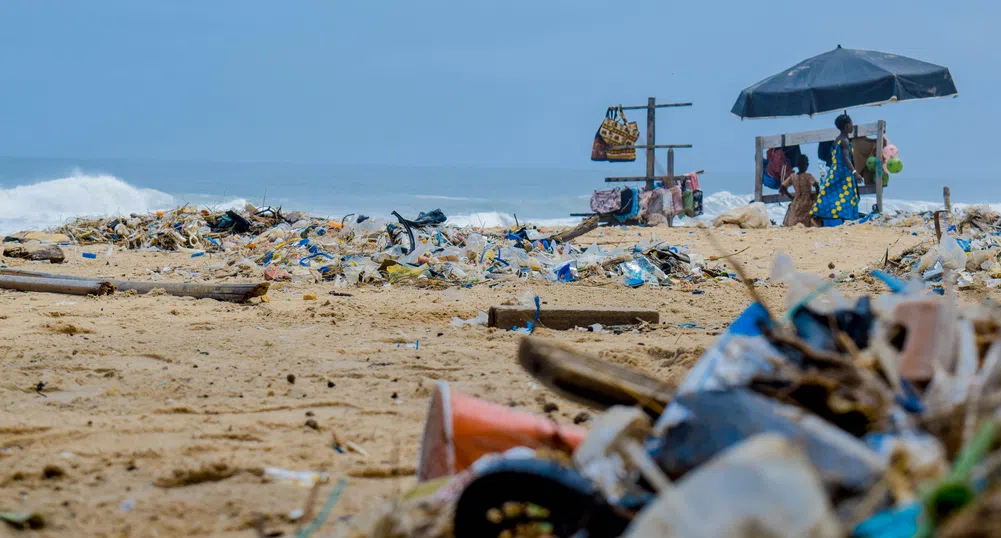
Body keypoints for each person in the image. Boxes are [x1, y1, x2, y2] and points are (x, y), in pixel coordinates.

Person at [810, 113, 863, 223]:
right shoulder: (844, 141)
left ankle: (824, 215)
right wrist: (855, 173)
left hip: (835, 172)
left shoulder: (837, 140)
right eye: (851, 124)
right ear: (847, 125)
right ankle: (845, 218)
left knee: (832, 194)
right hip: (843, 173)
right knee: (846, 196)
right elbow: (846, 158)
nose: (852, 126)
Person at [780, 155, 818, 227]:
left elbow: (782, 188)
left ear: (797, 165)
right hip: (807, 200)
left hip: (796, 200)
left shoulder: (793, 176)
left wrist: (791, 197)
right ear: (807, 165)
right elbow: (816, 185)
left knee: (794, 217)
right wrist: (817, 196)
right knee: (808, 219)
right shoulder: (808, 176)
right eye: (806, 164)